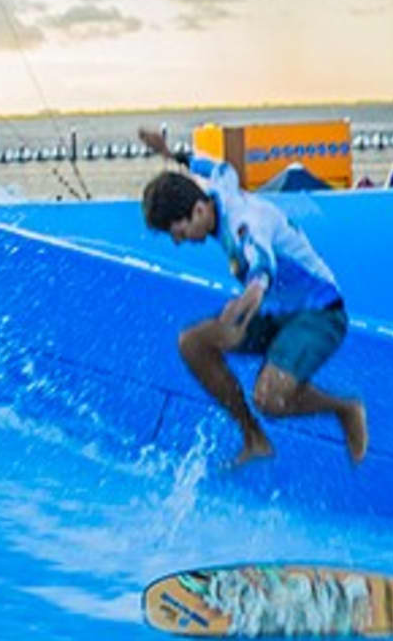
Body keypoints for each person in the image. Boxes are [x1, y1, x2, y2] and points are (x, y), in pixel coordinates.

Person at [136, 123, 369, 468]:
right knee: (193, 343)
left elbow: (261, 265)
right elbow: (216, 166)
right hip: (277, 311)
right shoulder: (218, 191)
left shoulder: (244, 222)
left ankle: (345, 409)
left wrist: (248, 300)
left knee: (270, 399)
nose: (178, 240)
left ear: (199, 211)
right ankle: (254, 438)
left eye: (179, 230)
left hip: (318, 312)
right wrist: (169, 154)